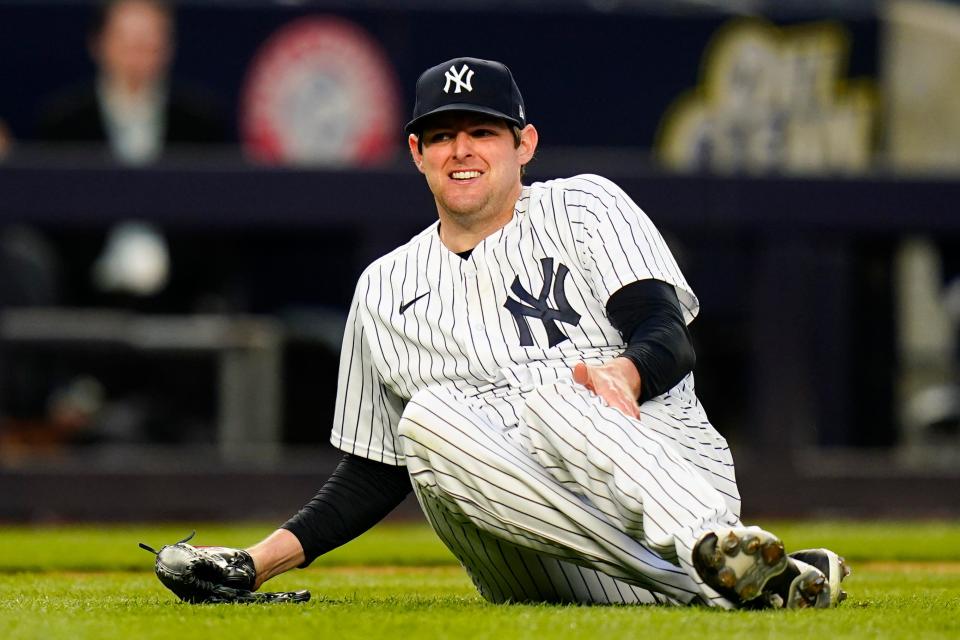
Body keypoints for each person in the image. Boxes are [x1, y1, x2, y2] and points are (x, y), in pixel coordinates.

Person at [190, 57, 851, 609]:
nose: (462, 150)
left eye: (482, 131)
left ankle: (713, 545)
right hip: (535, 553)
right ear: (417, 152)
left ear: (523, 143)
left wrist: (626, 371)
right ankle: (720, 581)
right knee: (425, 419)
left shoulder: (583, 206)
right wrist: (256, 563)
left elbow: (664, 329)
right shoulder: (384, 288)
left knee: (556, 397)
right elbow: (375, 471)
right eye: (443, 135)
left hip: (664, 482)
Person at [36, 0, 226, 163]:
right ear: (98, 44)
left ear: (169, 46)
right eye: (127, 43)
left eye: (149, 44)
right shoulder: (64, 121)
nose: (138, 55)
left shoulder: (199, 121)